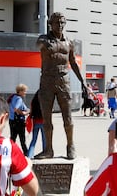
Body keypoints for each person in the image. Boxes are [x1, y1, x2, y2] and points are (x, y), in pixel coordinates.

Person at [35, 12, 85, 160]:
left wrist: (83, 81)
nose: (60, 25)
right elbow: (38, 45)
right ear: (51, 24)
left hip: (64, 81)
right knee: (46, 119)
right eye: (57, 22)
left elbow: (73, 63)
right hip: (47, 81)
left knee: (68, 117)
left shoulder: (69, 43)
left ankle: (70, 146)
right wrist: (42, 43)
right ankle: (48, 149)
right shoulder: (44, 39)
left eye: (63, 22)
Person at [8, 83, 30, 156]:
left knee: (13, 138)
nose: (25, 92)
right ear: (20, 91)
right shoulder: (19, 99)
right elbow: (16, 109)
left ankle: (9, 152)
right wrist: (23, 113)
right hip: (18, 121)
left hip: (12, 120)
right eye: (24, 91)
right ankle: (26, 153)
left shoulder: (13, 97)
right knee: (22, 139)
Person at [27, 90, 46, 159]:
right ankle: (44, 152)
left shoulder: (33, 101)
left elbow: (31, 111)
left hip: (35, 122)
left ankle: (29, 155)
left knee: (34, 139)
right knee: (44, 139)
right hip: (43, 122)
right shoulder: (44, 102)